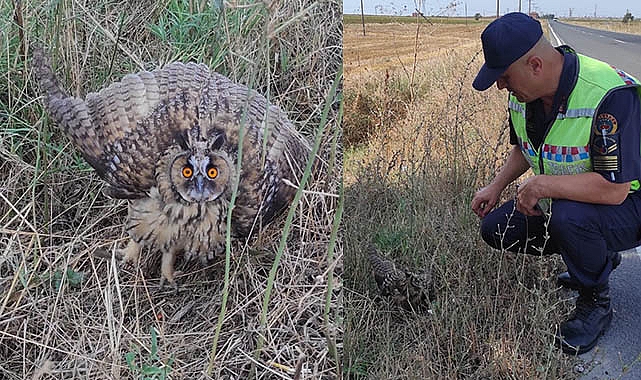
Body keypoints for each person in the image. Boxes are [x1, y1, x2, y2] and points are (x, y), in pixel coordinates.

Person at [470, 12, 641, 355]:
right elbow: (525, 146)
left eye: (504, 77)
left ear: (535, 65)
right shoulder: (523, 95)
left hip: (629, 204)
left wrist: (543, 186)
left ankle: (595, 300)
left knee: (568, 217)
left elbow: (614, 189)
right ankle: (593, 254)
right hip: (579, 199)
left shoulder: (608, 95)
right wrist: (495, 185)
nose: (501, 86)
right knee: (497, 227)